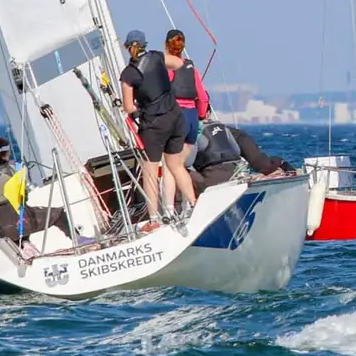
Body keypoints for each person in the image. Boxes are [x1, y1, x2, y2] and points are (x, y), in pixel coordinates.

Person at [119, 29, 194, 218]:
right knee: (175, 164)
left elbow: (128, 107)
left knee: (150, 170)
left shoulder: (128, 74)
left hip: (154, 124)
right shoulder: (157, 57)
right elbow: (178, 63)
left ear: (127, 47)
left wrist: (138, 102)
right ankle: (193, 204)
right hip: (176, 117)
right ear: (145, 44)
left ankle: (154, 218)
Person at [0, 135, 70, 243]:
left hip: (3, 228)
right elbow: (24, 197)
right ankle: (79, 239)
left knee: (10, 230)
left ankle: (25, 246)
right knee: (59, 213)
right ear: (7, 152)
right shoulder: (16, 167)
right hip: (24, 223)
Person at [191, 120, 296, 193]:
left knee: (178, 170)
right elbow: (260, 162)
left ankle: (179, 206)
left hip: (211, 185)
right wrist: (281, 163)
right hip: (234, 178)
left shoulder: (188, 133)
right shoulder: (231, 132)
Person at [165, 29, 210, 157]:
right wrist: (201, 115)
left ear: (166, 45)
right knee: (180, 166)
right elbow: (203, 97)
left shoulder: (165, 68)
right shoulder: (192, 69)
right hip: (192, 119)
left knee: (171, 167)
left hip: (176, 117)